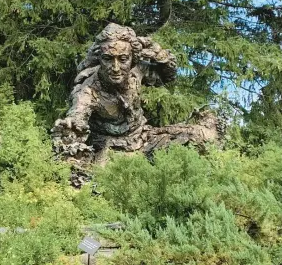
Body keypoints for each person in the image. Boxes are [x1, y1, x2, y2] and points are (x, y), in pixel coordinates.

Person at [52, 23, 219, 164]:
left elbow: (167, 77)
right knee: (106, 176)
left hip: (144, 139)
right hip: (109, 150)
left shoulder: (137, 71)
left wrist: (160, 55)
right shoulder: (88, 90)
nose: (116, 68)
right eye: (108, 59)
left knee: (199, 136)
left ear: (132, 58)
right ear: (99, 58)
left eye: (123, 59)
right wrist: (71, 127)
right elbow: (78, 114)